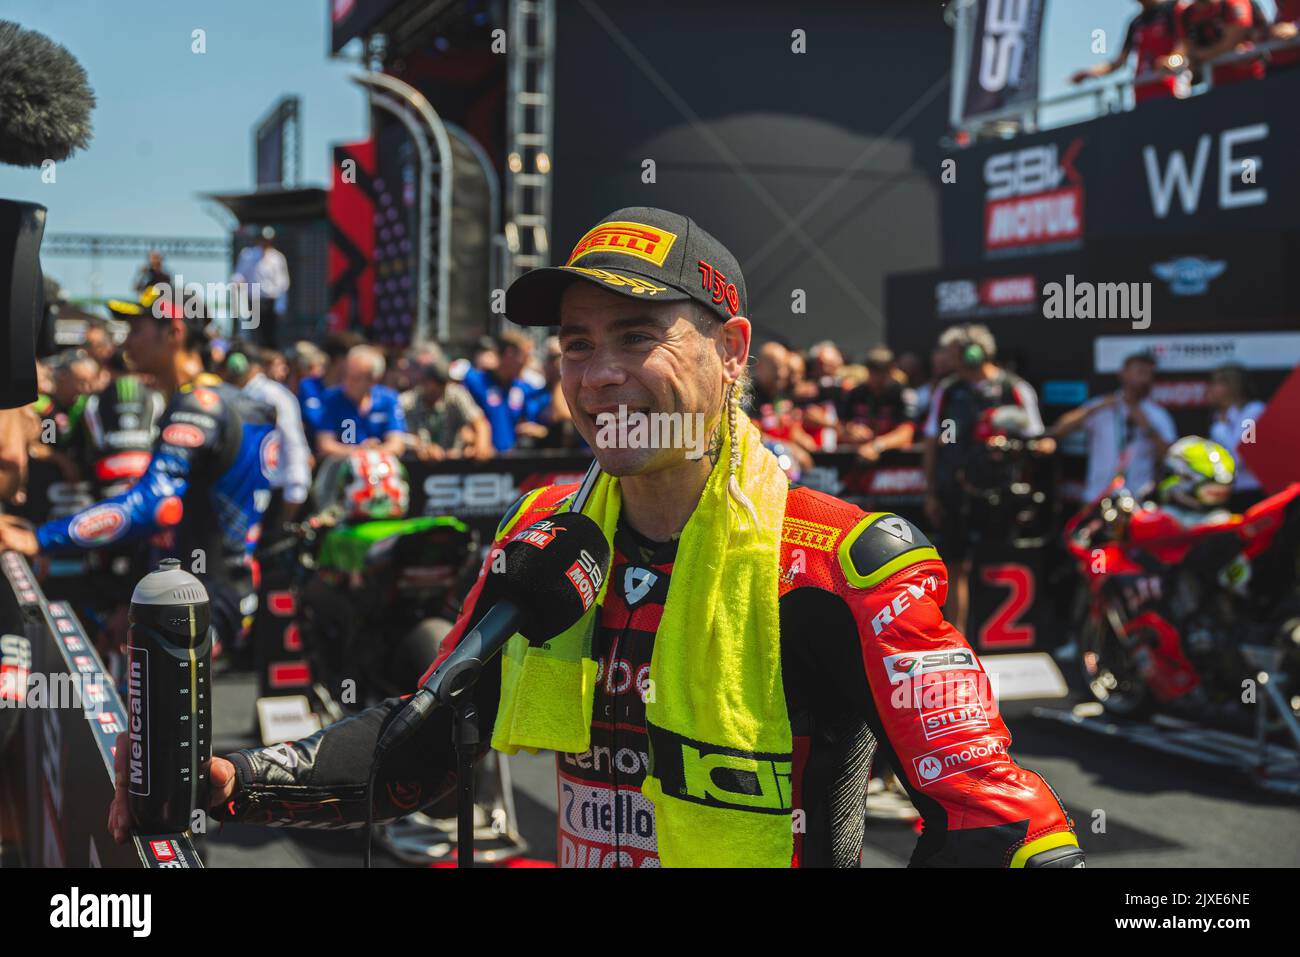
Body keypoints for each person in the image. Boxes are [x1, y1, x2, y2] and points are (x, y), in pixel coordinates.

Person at [119, 206, 1083, 869]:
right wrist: (231, 776)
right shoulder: (548, 534)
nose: (599, 374)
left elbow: (1005, 824)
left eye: (636, 335)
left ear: (732, 350)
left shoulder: (843, 564)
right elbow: (431, 739)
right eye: (577, 344)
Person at [0, 292, 279, 659]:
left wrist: (41, 539)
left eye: (136, 329)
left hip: (194, 600)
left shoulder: (199, 405)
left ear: (173, 332)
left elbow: (155, 504)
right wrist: (130, 596)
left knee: (164, 712)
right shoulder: (229, 400)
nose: (126, 340)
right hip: (207, 590)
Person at [921, 324, 1044, 633]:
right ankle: (958, 639)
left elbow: (1038, 440)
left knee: (997, 559)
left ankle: (1000, 636)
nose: (947, 361)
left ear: (973, 352)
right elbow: (932, 441)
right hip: (955, 492)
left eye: (953, 354)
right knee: (955, 565)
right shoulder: (948, 391)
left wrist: (1010, 445)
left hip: (1000, 494)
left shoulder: (1014, 388)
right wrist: (932, 492)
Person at [1043, 351, 1176, 502]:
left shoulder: (1157, 414)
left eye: (1148, 374)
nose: (1143, 379)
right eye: (1139, 372)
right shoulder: (1102, 406)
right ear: (1123, 374)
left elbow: (1169, 456)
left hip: (1138, 499)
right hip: (1098, 498)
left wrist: (1146, 425)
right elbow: (1060, 429)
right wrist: (1095, 409)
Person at [222, 342, 313, 520]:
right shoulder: (230, 394)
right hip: (241, 493)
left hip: (272, 495)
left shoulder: (273, 395)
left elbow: (293, 444)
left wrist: (296, 491)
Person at [1070, 0, 1186, 103]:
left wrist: (1172, 62)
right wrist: (1090, 72)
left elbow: (1185, 46)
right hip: (1142, 93)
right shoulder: (1136, 23)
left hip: (1172, 90)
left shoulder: (1172, 9)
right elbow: (1118, 62)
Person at [315, 345, 411, 460]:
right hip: (343, 468)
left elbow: (396, 445)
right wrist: (359, 451)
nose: (347, 382)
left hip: (380, 467)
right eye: (345, 375)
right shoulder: (331, 399)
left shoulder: (388, 399)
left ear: (373, 380)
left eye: (356, 378)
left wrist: (373, 453)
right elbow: (325, 444)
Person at [461, 330, 545, 453]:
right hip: (481, 461)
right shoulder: (474, 381)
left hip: (511, 463)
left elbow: (541, 419)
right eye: (524, 356)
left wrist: (540, 431)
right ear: (509, 354)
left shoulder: (523, 389)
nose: (527, 363)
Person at [401, 352, 493, 460]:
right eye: (436, 384)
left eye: (443, 384)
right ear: (425, 382)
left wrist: (481, 446)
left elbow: (480, 422)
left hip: (452, 461)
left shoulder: (454, 393)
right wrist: (422, 446)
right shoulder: (407, 402)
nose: (440, 389)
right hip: (419, 462)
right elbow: (398, 435)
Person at [839, 345, 917, 463]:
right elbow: (839, 428)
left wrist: (876, 445)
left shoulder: (903, 394)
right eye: (872, 369)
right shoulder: (856, 393)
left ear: (891, 370)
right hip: (856, 459)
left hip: (893, 461)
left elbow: (906, 433)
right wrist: (851, 430)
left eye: (882, 370)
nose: (877, 376)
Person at [1206, 363, 1267, 511]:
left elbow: (1241, 456)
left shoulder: (1254, 411)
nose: (1211, 389)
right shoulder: (1222, 416)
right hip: (1230, 494)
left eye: (1216, 383)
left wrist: (1219, 429)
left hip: (1253, 492)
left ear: (1232, 386)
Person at [1175, 0, 1265, 86]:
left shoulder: (1232, 3)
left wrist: (1199, 56)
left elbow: (1229, 44)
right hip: (1214, 83)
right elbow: (1187, 49)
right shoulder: (1186, 14)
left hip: (1250, 78)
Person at [231, 226, 291, 349]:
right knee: (254, 334)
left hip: (270, 302)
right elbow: (240, 274)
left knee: (270, 335)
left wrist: (280, 306)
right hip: (253, 301)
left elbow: (283, 284)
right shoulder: (248, 255)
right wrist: (237, 282)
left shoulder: (277, 258)